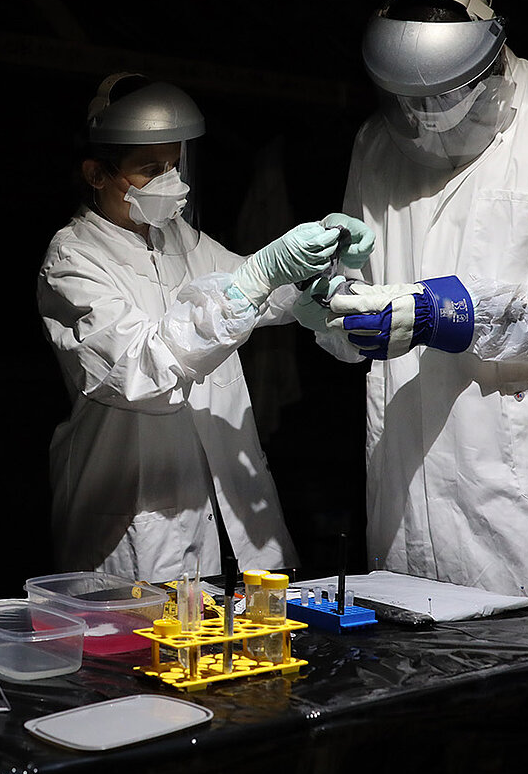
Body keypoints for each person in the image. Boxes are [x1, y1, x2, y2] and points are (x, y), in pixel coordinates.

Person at [303, 0, 528, 610]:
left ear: (492, 61)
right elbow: (351, 280)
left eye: (444, 94)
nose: (424, 114)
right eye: (408, 100)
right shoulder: (377, 142)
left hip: (521, 476)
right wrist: (343, 316)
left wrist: (462, 314)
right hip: (406, 475)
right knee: (413, 668)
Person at [37, 72, 372, 583]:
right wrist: (257, 279)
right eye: (150, 169)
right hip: (136, 519)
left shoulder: (182, 237)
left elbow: (263, 291)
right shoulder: (72, 260)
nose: (171, 180)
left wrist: (317, 277)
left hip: (227, 513)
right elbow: (140, 369)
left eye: (174, 164)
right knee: (143, 653)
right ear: (97, 173)